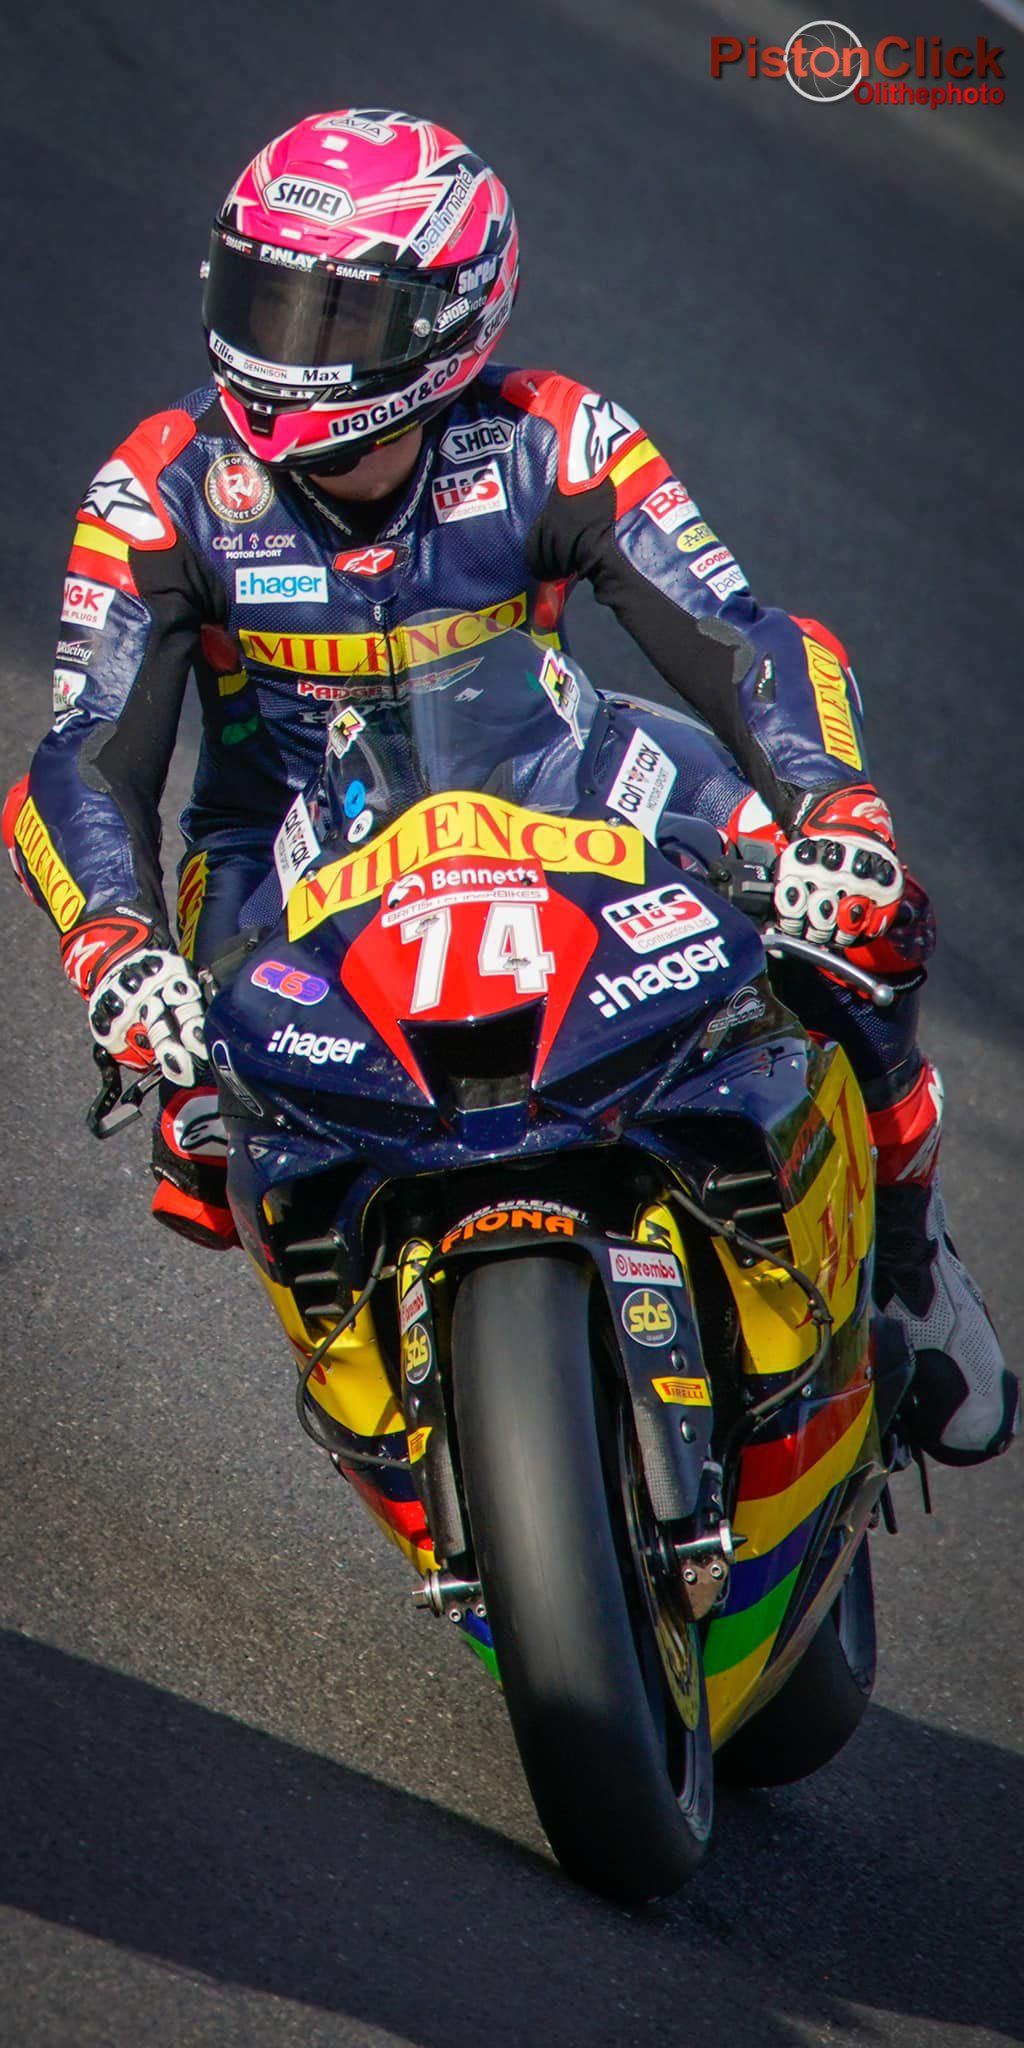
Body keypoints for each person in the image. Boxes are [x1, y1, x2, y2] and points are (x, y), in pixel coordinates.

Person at [3, 108, 1016, 1468]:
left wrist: (835, 805)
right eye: (263, 295)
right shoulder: (157, 489)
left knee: (865, 916)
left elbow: (740, 634)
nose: (279, 347)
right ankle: (394, 1403)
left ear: (447, 318)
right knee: (197, 1121)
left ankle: (909, 1249)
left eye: (328, 313)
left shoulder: (555, 432)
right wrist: (113, 947)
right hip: (283, 838)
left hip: (566, 770)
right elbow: (85, 749)